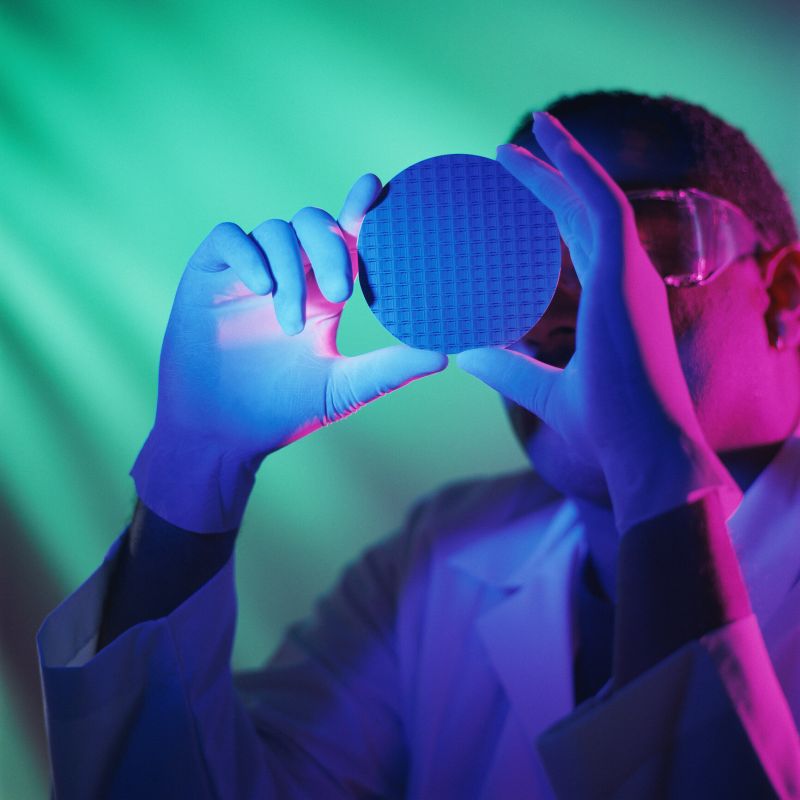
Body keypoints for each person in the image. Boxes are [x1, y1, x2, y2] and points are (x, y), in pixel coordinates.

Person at [37, 91, 800, 798]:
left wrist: (659, 486)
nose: (560, 308)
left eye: (634, 244)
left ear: (786, 291)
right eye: (521, 253)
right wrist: (196, 466)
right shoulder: (438, 558)